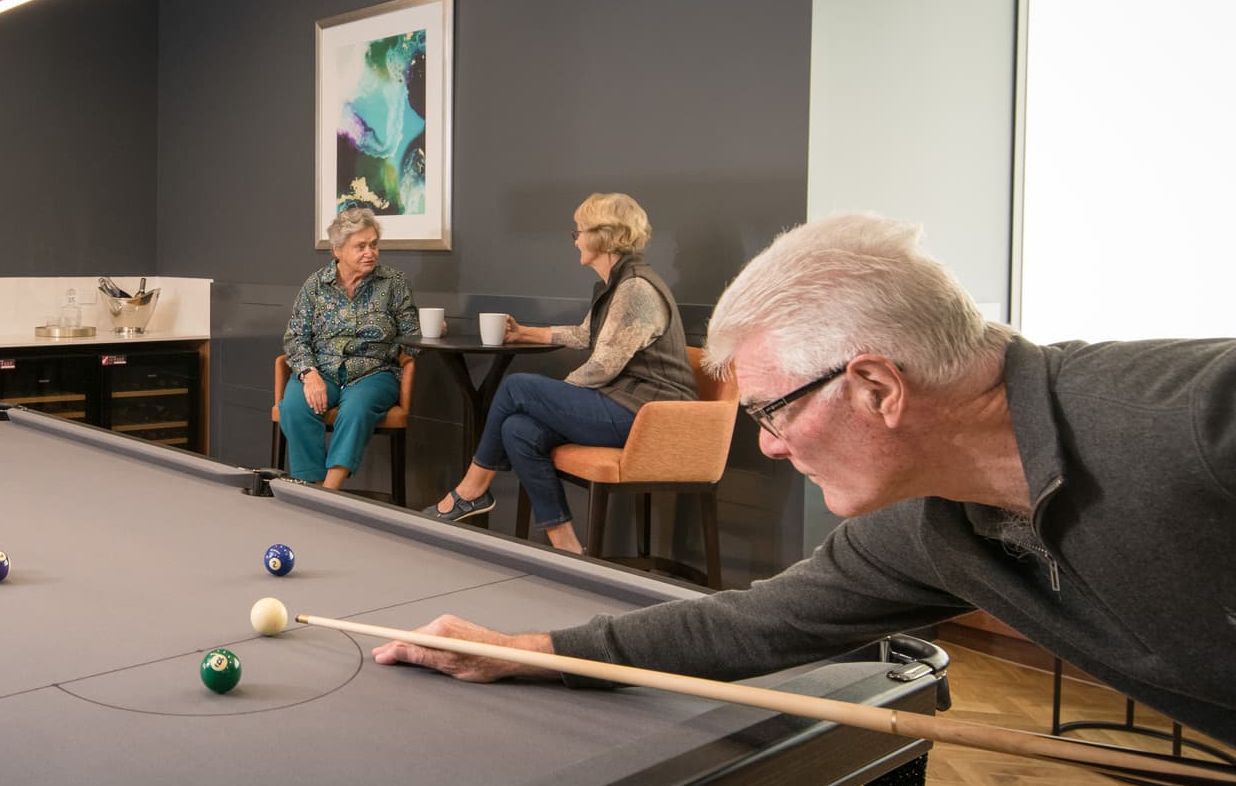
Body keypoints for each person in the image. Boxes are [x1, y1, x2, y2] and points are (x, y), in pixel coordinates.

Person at [375, 213, 1236, 750]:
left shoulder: (1197, 418)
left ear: (877, 387)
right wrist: (526, 652)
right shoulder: (931, 533)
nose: (773, 448)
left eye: (771, 412)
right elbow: (754, 627)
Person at [423, 192, 695, 552]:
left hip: (651, 415)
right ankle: (567, 547)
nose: (576, 240)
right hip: (629, 404)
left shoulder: (636, 290)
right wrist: (525, 334)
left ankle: (469, 491)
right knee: (517, 429)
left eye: (579, 231)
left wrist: (546, 398)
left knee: (517, 388)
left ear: (602, 236)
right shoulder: (619, 284)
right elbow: (587, 335)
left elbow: (601, 367)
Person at [279, 207, 418, 488]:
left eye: (374, 244)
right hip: (323, 369)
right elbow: (295, 337)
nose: (371, 252)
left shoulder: (394, 283)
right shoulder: (315, 286)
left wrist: (427, 333)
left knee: (356, 409)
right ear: (337, 250)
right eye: (361, 246)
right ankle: (310, 485)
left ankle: (329, 491)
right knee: (294, 406)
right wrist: (309, 373)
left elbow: (412, 338)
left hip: (374, 372)